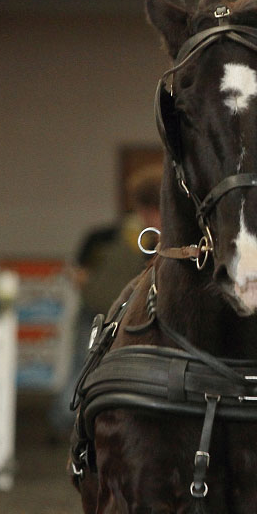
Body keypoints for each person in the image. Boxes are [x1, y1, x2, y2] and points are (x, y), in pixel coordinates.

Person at [48, 164, 162, 437]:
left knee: (83, 366)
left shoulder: (103, 236)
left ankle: (67, 419)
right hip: (118, 315)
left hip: (99, 314)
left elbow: (78, 273)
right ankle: (71, 420)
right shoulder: (152, 241)